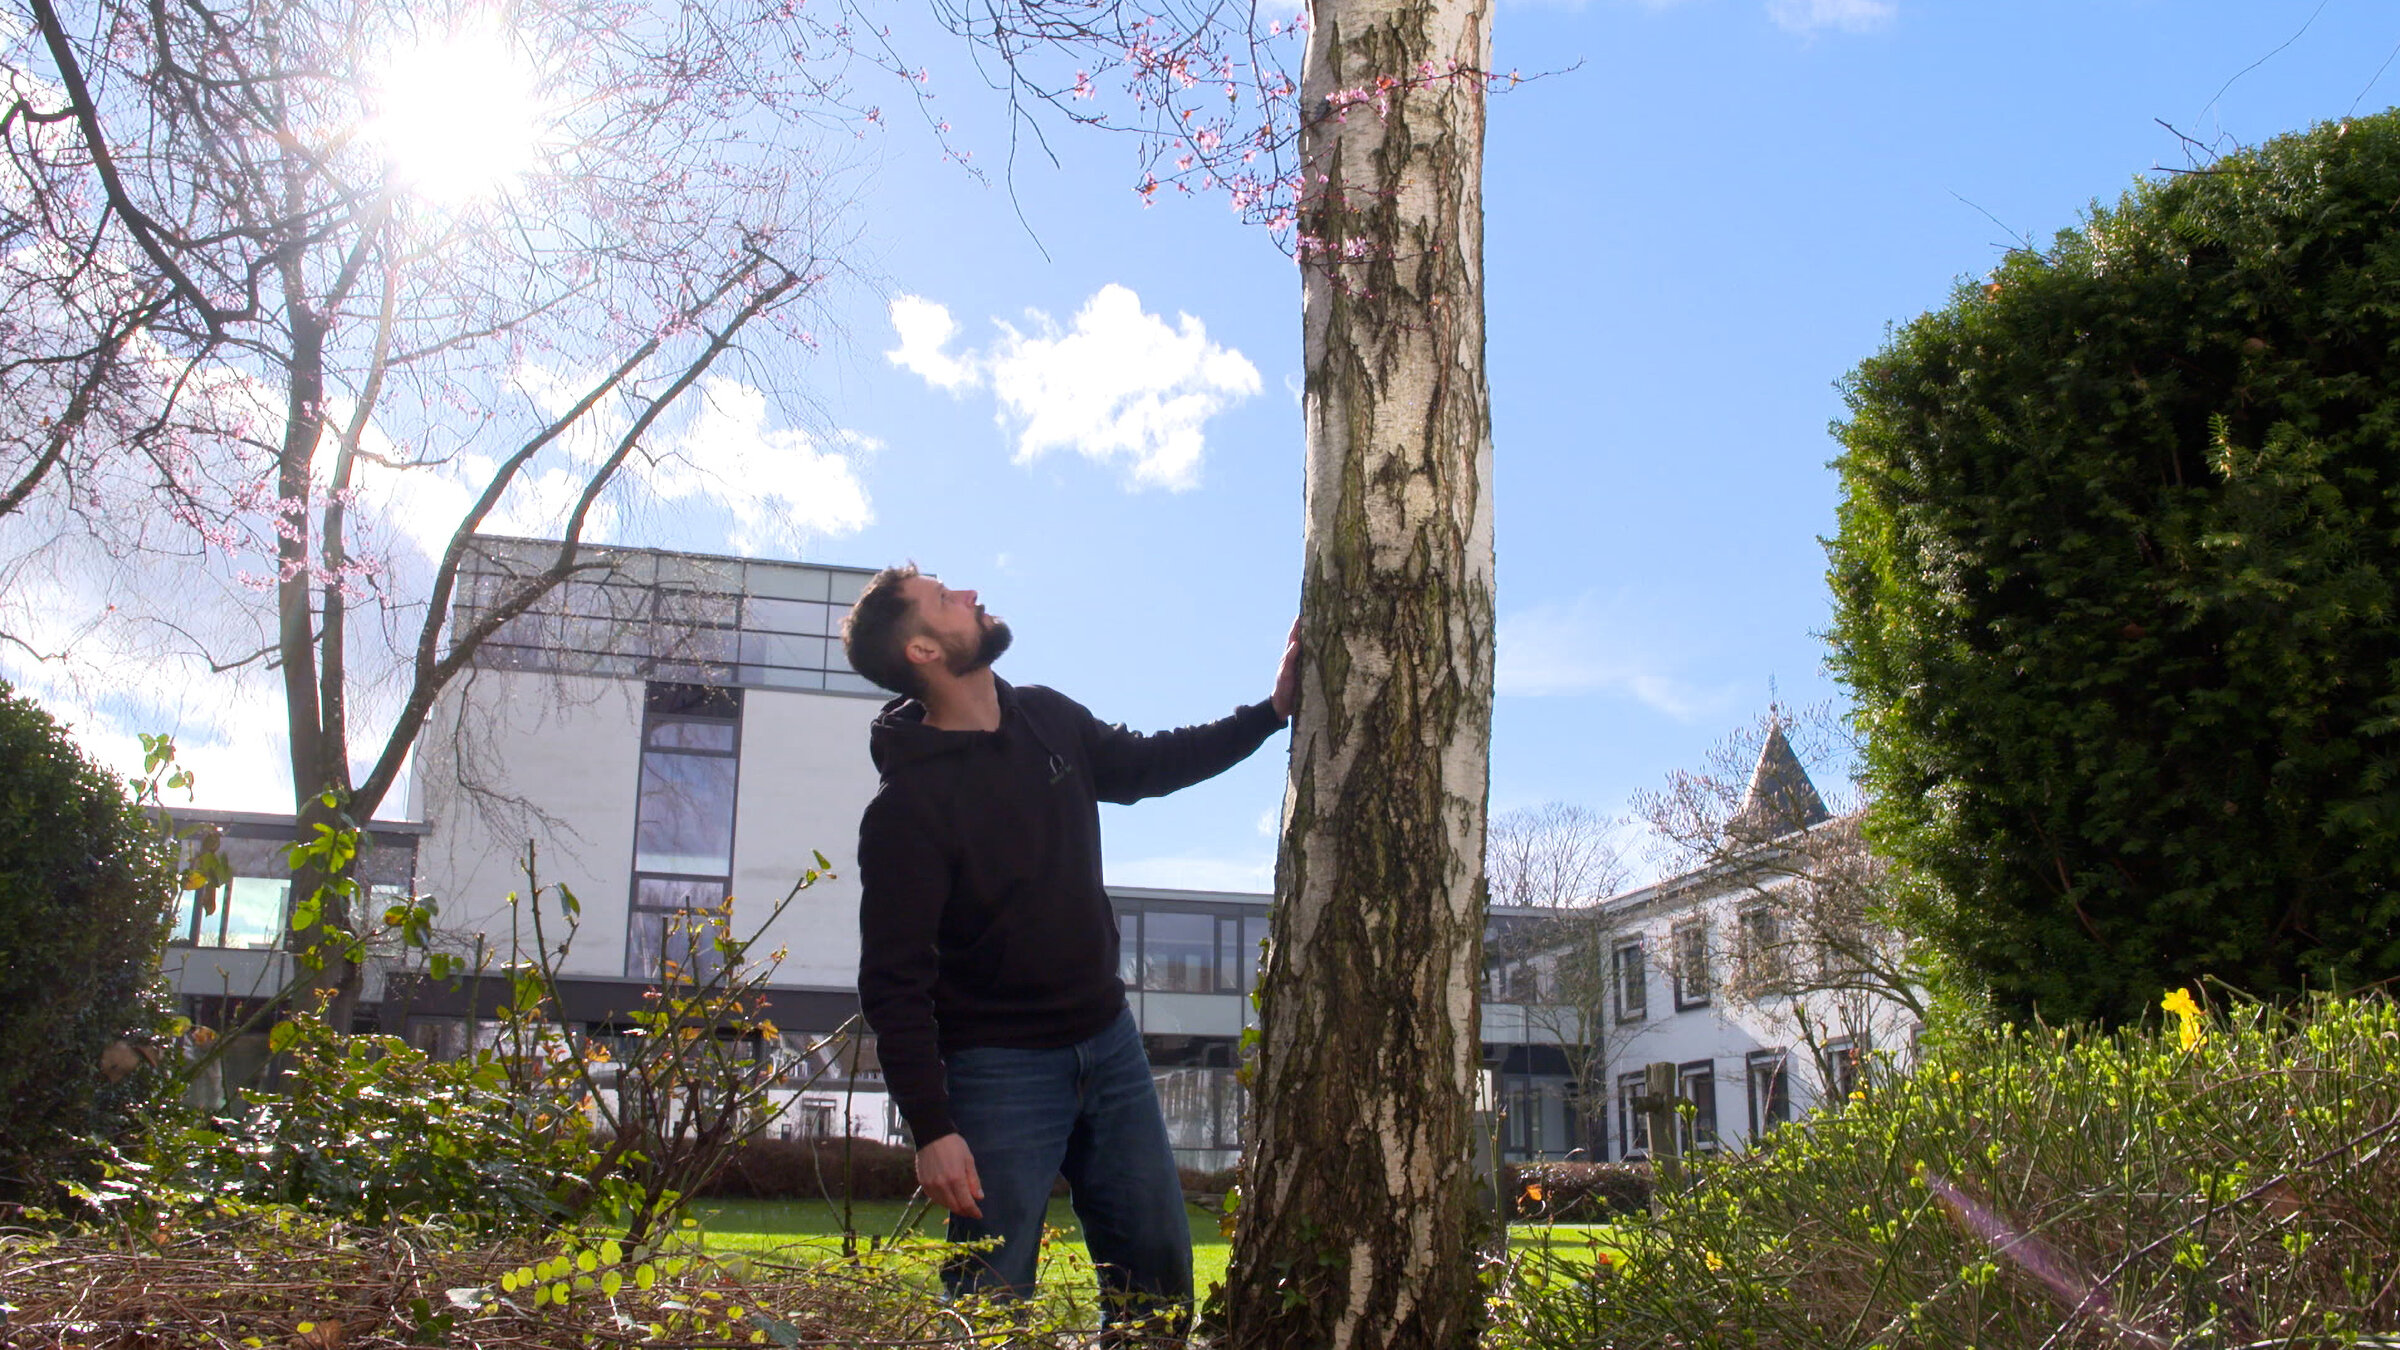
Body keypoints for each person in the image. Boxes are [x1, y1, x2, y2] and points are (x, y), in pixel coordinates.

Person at [841, 564, 1297, 1336]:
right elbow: (894, 983)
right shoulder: (906, 810)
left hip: (1109, 1045)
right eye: (948, 601)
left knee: (1156, 1273)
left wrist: (1270, 713)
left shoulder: (1047, 717)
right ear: (921, 649)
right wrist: (932, 1128)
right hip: (998, 1071)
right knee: (991, 1297)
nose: (972, 595)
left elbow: (1151, 763)